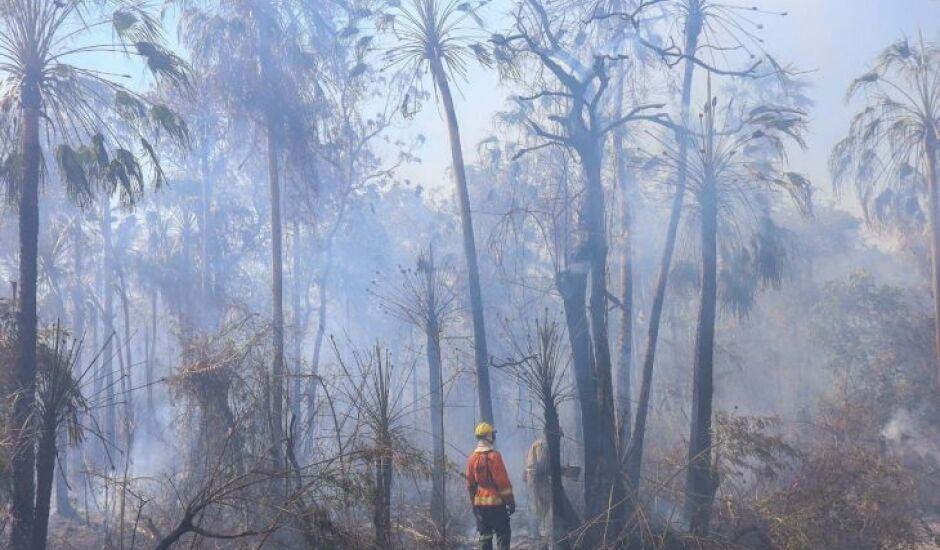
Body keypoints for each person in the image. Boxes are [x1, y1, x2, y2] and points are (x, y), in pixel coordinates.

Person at [466, 422, 515, 550]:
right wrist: (510, 502)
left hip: (480, 506)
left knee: (485, 537)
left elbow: (470, 485)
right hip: (496, 505)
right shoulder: (495, 456)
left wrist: (474, 504)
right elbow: (503, 483)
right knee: (503, 534)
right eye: (492, 434)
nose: (493, 436)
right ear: (488, 436)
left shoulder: (472, 457)